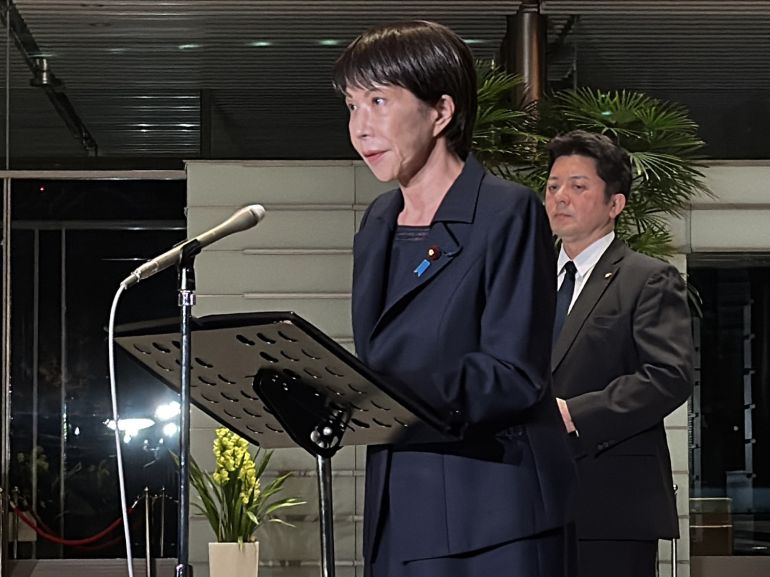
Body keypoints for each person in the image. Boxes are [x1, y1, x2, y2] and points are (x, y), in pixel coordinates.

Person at [333, 20, 576, 577]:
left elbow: (514, 372)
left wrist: (376, 394)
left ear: (441, 112)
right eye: (351, 105)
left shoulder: (507, 211)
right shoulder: (377, 222)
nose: (360, 127)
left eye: (378, 100)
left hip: (492, 508)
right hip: (400, 503)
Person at [545, 130, 694, 577]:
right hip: (528, 499)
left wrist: (574, 413)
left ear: (616, 204)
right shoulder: (527, 280)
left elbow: (668, 375)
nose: (560, 197)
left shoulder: (648, 278)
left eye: (578, 186)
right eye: (553, 186)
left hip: (612, 502)